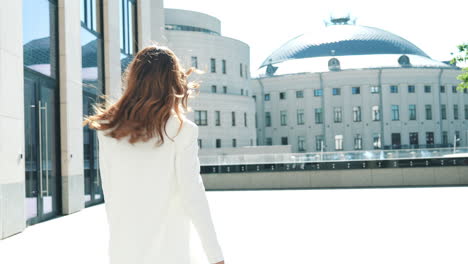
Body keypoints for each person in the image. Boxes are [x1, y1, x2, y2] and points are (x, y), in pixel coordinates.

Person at [83, 45, 225, 264]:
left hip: (124, 251)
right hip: (170, 252)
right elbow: (193, 195)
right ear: (173, 82)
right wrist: (215, 255)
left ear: (133, 80)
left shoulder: (108, 129)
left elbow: (110, 193)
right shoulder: (182, 130)